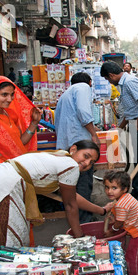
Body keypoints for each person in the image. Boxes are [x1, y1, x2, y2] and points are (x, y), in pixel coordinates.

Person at [0, 140, 113, 249]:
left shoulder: (61, 157)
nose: (87, 163)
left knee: (0, 242)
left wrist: (102, 210)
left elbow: (72, 198)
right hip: (4, 188)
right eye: (86, 156)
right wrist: (80, 238)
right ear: (73, 149)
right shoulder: (70, 165)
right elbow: (70, 205)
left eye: (92, 162)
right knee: (10, 248)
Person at [100, 62, 138, 208]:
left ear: (111, 75)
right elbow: (130, 109)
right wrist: (120, 128)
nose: (108, 82)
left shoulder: (130, 82)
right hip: (134, 122)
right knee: (137, 161)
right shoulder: (123, 84)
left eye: (107, 79)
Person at [55, 72, 100, 224]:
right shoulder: (83, 88)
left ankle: (82, 216)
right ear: (89, 82)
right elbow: (83, 112)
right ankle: (85, 219)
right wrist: (94, 134)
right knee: (83, 182)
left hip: (68, 145)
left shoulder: (65, 94)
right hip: (80, 144)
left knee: (73, 182)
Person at [103, 170, 138, 275]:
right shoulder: (125, 197)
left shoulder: (121, 204)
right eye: (107, 187)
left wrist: (112, 230)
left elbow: (120, 222)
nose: (109, 191)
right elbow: (125, 216)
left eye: (114, 188)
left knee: (133, 255)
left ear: (124, 189)